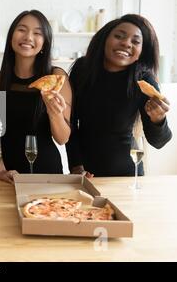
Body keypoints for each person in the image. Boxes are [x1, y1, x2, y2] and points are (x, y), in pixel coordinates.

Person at [66, 14, 172, 177]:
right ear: (105, 39)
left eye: (135, 41)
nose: (126, 43)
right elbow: (71, 122)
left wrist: (158, 119)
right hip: (86, 174)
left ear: (142, 51)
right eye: (119, 36)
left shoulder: (143, 79)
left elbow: (159, 142)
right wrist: (75, 165)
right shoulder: (83, 69)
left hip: (127, 175)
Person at [0, 10, 72, 184]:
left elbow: (62, 138)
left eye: (37, 33)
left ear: (44, 42)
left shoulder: (56, 77)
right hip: (9, 172)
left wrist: (54, 112)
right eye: (22, 29)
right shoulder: (2, 78)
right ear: (11, 36)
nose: (28, 37)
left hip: (47, 172)